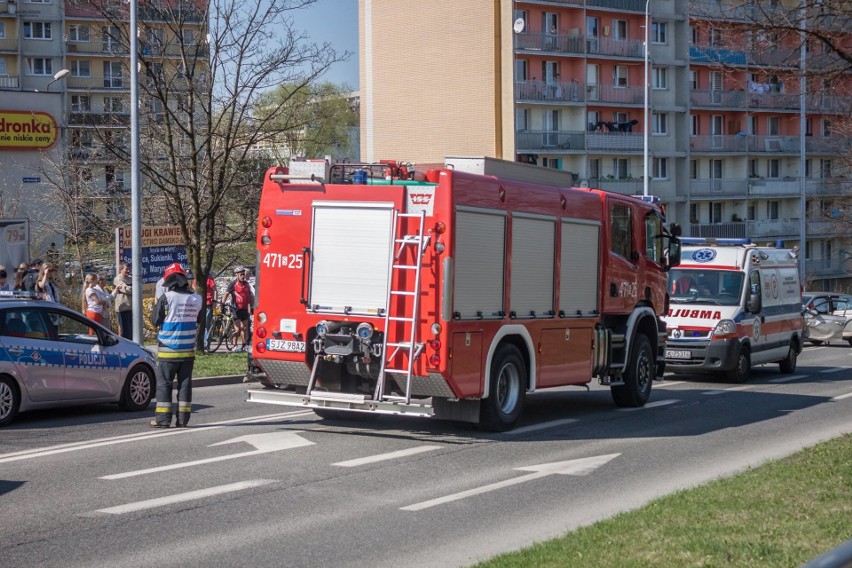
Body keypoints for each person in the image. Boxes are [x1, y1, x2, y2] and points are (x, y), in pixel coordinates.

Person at [149, 263, 202, 429]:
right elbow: (199, 320)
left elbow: (155, 320)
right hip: (188, 351)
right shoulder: (197, 298)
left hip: (168, 350)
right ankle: (182, 420)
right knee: (185, 385)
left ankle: (163, 420)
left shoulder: (167, 297)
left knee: (164, 384)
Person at [224, 266, 254, 352]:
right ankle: (234, 345)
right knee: (237, 329)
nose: (243, 276)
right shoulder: (233, 284)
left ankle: (244, 345)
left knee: (244, 328)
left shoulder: (247, 284)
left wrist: (252, 307)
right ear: (236, 275)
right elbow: (226, 294)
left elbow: (250, 296)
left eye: (243, 274)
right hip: (235, 308)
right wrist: (222, 304)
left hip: (244, 309)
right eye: (241, 274)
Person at [113, 262, 133, 340]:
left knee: (131, 330)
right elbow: (126, 289)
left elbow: (139, 286)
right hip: (122, 309)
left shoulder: (131, 278)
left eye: (129, 269)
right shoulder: (118, 279)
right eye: (126, 269)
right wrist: (135, 288)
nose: (128, 271)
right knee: (124, 331)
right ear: (121, 269)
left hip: (131, 308)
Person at [203, 272, 217, 351]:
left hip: (208, 303)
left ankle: (206, 344)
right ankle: (200, 343)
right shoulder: (197, 278)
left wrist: (214, 301)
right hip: (200, 304)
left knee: (207, 325)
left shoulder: (209, 278)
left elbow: (215, 290)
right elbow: (194, 288)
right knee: (200, 325)